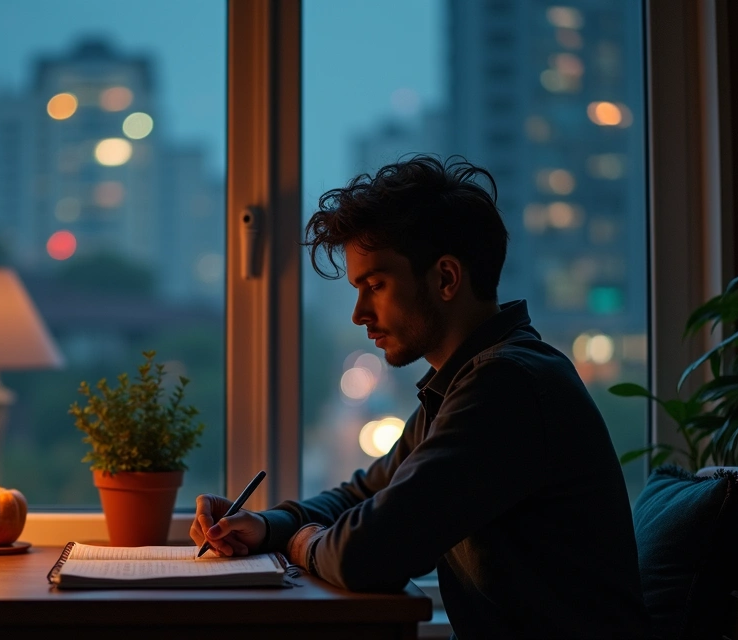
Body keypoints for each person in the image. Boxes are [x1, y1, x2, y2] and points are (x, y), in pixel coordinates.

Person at [190, 155, 649, 639]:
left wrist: (302, 541)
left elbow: (367, 555)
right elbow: (364, 494)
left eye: (375, 285)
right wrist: (265, 525)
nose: (359, 313)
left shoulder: (506, 385)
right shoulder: (465, 381)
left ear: (446, 278)